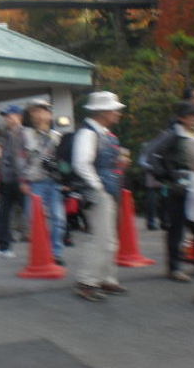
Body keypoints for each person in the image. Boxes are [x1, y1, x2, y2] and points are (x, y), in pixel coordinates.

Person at [72, 91, 128, 301]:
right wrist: (98, 186)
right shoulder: (89, 133)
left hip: (105, 190)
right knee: (100, 238)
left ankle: (106, 278)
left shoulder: (100, 132)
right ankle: (87, 281)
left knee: (108, 238)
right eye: (115, 109)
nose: (118, 113)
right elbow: (81, 163)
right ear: (102, 112)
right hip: (99, 192)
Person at [149, 102, 194, 282]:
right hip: (179, 189)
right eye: (191, 116)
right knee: (177, 229)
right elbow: (151, 156)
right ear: (182, 118)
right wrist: (168, 176)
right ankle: (174, 268)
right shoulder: (172, 136)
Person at [19, 99, 66, 265]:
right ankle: (41, 251)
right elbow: (21, 160)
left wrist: (67, 179)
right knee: (34, 218)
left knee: (58, 217)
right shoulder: (25, 135)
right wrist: (22, 181)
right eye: (34, 112)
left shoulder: (57, 137)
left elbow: (64, 161)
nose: (38, 115)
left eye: (42, 111)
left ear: (49, 114)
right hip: (34, 181)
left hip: (54, 181)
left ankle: (56, 252)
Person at [0, 104, 25, 259]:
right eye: (5, 116)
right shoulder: (9, 134)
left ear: (18, 116)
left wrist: (22, 179)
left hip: (18, 180)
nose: (6, 119)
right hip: (9, 180)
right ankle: (4, 248)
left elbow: (19, 159)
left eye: (9, 116)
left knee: (28, 214)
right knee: (3, 215)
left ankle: (5, 248)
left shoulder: (21, 134)